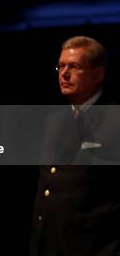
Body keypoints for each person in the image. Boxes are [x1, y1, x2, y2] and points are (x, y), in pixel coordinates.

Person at [30, 36, 120, 256]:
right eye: (61, 66)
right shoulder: (53, 120)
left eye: (75, 67)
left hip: (93, 247)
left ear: (98, 74)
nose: (64, 73)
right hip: (48, 243)